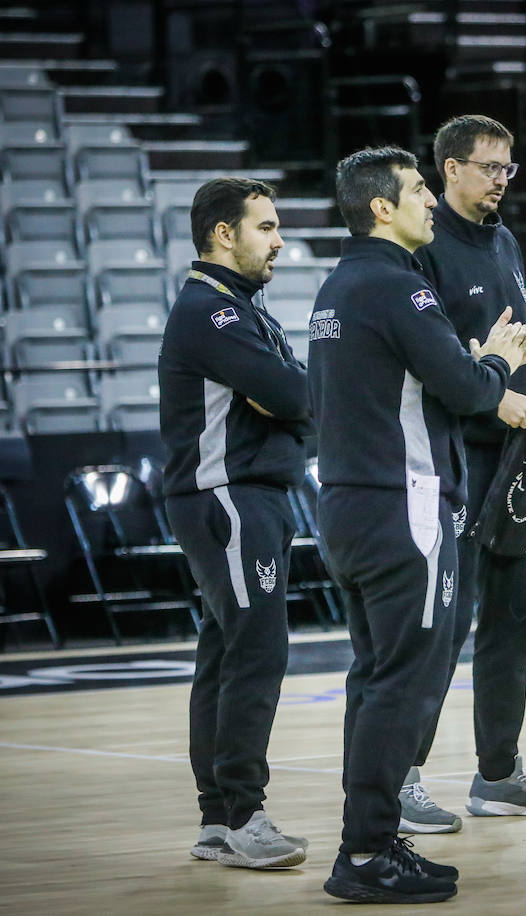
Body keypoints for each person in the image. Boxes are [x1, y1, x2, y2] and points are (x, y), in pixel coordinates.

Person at [309, 146, 526, 903]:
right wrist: (500, 360)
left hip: (347, 504)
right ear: (382, 207)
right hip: (403, 506)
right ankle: (368, 854)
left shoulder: (338, 284)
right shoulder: (398, 288)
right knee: (402, 684)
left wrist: (479, 363)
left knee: (375, 681)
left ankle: (369, 844)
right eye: (416, 190)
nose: (429, 203)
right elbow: (471, 389)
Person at [404, 114, 526, 827]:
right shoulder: (424, 244)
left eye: (509, 168)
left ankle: (498, 774)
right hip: (450, 462)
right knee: (439, 626)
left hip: (513, 463)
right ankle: (403, 777)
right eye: (489, 168)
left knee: (513, 621)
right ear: (450, 168)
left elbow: (517, 342)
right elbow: (434, 357)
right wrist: (499, 392)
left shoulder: (505, 240)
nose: (501, 180)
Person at [160, 177, 311, 869]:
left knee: (224, 654)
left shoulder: (238, 307)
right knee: (256, 651)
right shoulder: (210, 311)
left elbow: (291, 395)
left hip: (242, 497)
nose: (278, 240)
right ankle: (244, 816)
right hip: (229, 499)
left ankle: (218, 822)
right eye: (265, 227)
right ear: (224, 233)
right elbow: (290, 392)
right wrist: (294, 392)